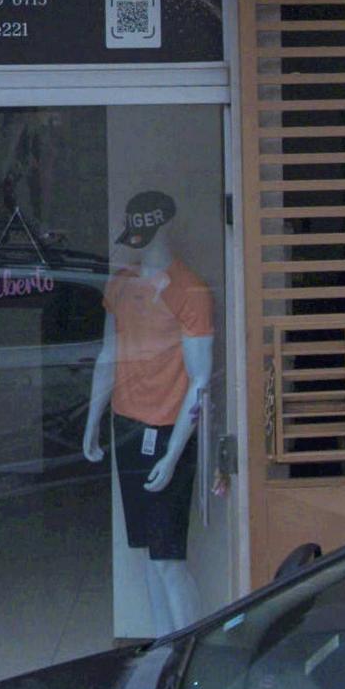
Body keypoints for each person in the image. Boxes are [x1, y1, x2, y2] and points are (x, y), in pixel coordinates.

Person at [84, 188, 216, 631]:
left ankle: (188, 648)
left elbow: (200, 380)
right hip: (126, 426)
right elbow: (108, 355)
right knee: (148, 555)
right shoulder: (121, 283)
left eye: (149, 234)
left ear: (165, 227)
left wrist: (174, 452)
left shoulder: (190, 291)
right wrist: (92, 423)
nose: (142, 246)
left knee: (168, 560)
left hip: (167, 431)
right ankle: (164, 645)